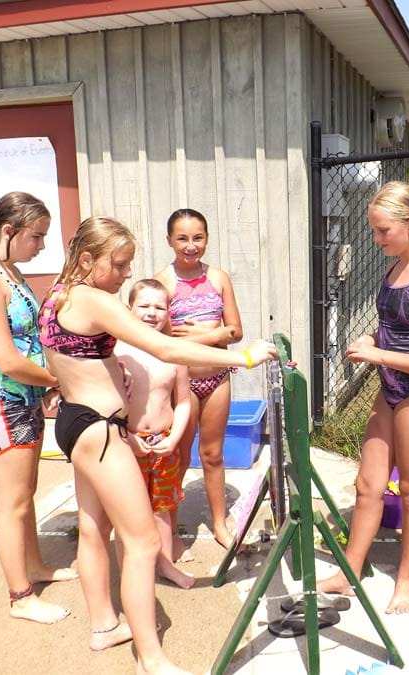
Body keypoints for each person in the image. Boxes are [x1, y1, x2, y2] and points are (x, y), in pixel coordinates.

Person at [38, 215, 275, 672]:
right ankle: (151, 657)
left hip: (73, 420)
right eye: (121, 264)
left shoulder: (57, 294)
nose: (128, 273)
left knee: (93, 530)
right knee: (143, 542)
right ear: (88, 259)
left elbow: (74, 355)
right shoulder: (93, 298)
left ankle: (105, 626)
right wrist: (240, 357)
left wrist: (106, 367)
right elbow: (165, 348)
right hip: (100, 429)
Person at [317, 181, 409, 614]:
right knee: (367, 484)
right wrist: (372, 338)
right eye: (374, 230)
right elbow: (397, 331)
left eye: (383, 231)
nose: (376, 239)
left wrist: (378, 353)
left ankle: (408, 576)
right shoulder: (395, 269)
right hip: (391, 389)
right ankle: (350, 569)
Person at [0, 191, 77, 625]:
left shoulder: (9, 272)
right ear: (8, 230)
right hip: (0, 402)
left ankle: (36, 566)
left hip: (23, 400)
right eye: (36, 236)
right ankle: (20, 597)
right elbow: (6, 359)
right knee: (14, 502)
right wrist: (58, 380)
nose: (42, 246)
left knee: (25, 497)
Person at [155, 208, 243, 549]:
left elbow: (235, 331)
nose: (191, 246)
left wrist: (204, 335)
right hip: (183, 384)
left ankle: (220, 522)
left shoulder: (218, 278)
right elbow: (160, 342)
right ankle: (170, 531)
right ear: (169, 241)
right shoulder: (163, 283)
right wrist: (213, 334)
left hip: (217, 378)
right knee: (176, 455)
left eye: (198, 238)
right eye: (182, 239)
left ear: (206, 238)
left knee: (213, 454)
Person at [115, 279, 194, 589]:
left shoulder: (173, 354)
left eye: (159, 306)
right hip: (126, 442)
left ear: (169, 312)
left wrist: (174, 437)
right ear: (129, 308)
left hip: (163, 441)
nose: (151, 312)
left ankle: (166, 564)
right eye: (143, 306)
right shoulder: (117, 352)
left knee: (163, 509)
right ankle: (133, 574)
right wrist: (128, 438)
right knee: (127, 514)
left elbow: (184, 402)